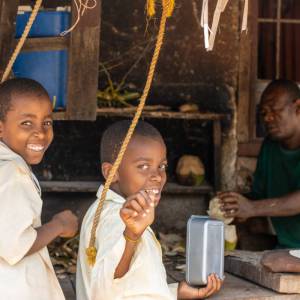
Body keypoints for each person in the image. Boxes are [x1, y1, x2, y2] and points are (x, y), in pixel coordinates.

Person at [76, 120, 222, 300]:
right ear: (111, 173)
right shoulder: (115, 217)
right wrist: (131, 236)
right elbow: (108, 281)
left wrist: (175, 292)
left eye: (162, 166)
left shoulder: (110, 209)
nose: (157, 176)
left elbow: (131, 289)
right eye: (143, 166)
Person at [0, 78, 78, 300]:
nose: (40, 133)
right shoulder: (13, 173)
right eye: (26, 123)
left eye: (47, 122)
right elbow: (17, 244)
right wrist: (58, 225)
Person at [219, 79, 300, 249]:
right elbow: (258, 196)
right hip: (286, 246)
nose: (268, 118)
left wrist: (252, 208)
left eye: (275, 110)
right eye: (263, 112)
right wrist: (233, 204)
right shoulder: (270, 146)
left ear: (297, 107)